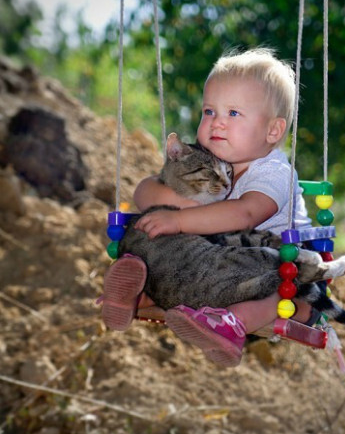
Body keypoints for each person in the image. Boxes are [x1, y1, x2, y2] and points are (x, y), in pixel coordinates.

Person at [102, 47, 316, 366]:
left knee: (281, 293)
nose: (216, 123)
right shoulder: (214, 160)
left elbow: (245, 213)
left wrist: (179, 220)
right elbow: (147, 189)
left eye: (233, 113)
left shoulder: (273, 172)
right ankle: (138, 292)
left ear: (273, 131)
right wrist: (173, 205)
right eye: (208, 111)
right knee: (164, 246)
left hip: (284, 262)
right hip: (223, 263)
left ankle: (230, 324)